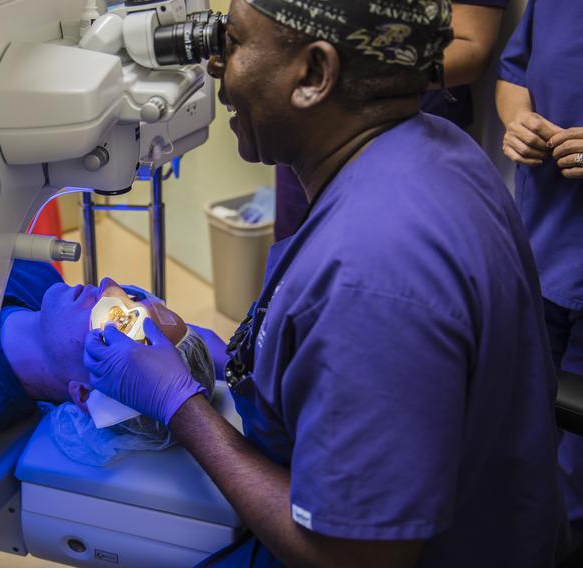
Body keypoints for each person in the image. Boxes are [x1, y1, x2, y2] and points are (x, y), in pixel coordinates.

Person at [83, 1, 567, 566]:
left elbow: (346, 556)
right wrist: (223, 360)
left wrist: (182, 407)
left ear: (314, 74)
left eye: (235, 42)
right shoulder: (429, 146)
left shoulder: (371, 273)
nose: (216, 65)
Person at [0, 260, 215, 475]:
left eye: (120, 322)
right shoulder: (39, 275)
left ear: (83, 394)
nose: (109, 287)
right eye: (136, 297)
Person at [274, 0, 508, 240]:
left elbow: (472, 48)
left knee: (382, 250)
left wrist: (355, 74)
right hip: (308, 122)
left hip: (401, 132)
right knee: (297, 249)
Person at [496, 0, 583, 560]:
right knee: (520, 436)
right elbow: (515, 73)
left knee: (574, 480)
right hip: (545, 246)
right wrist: (516, 120)